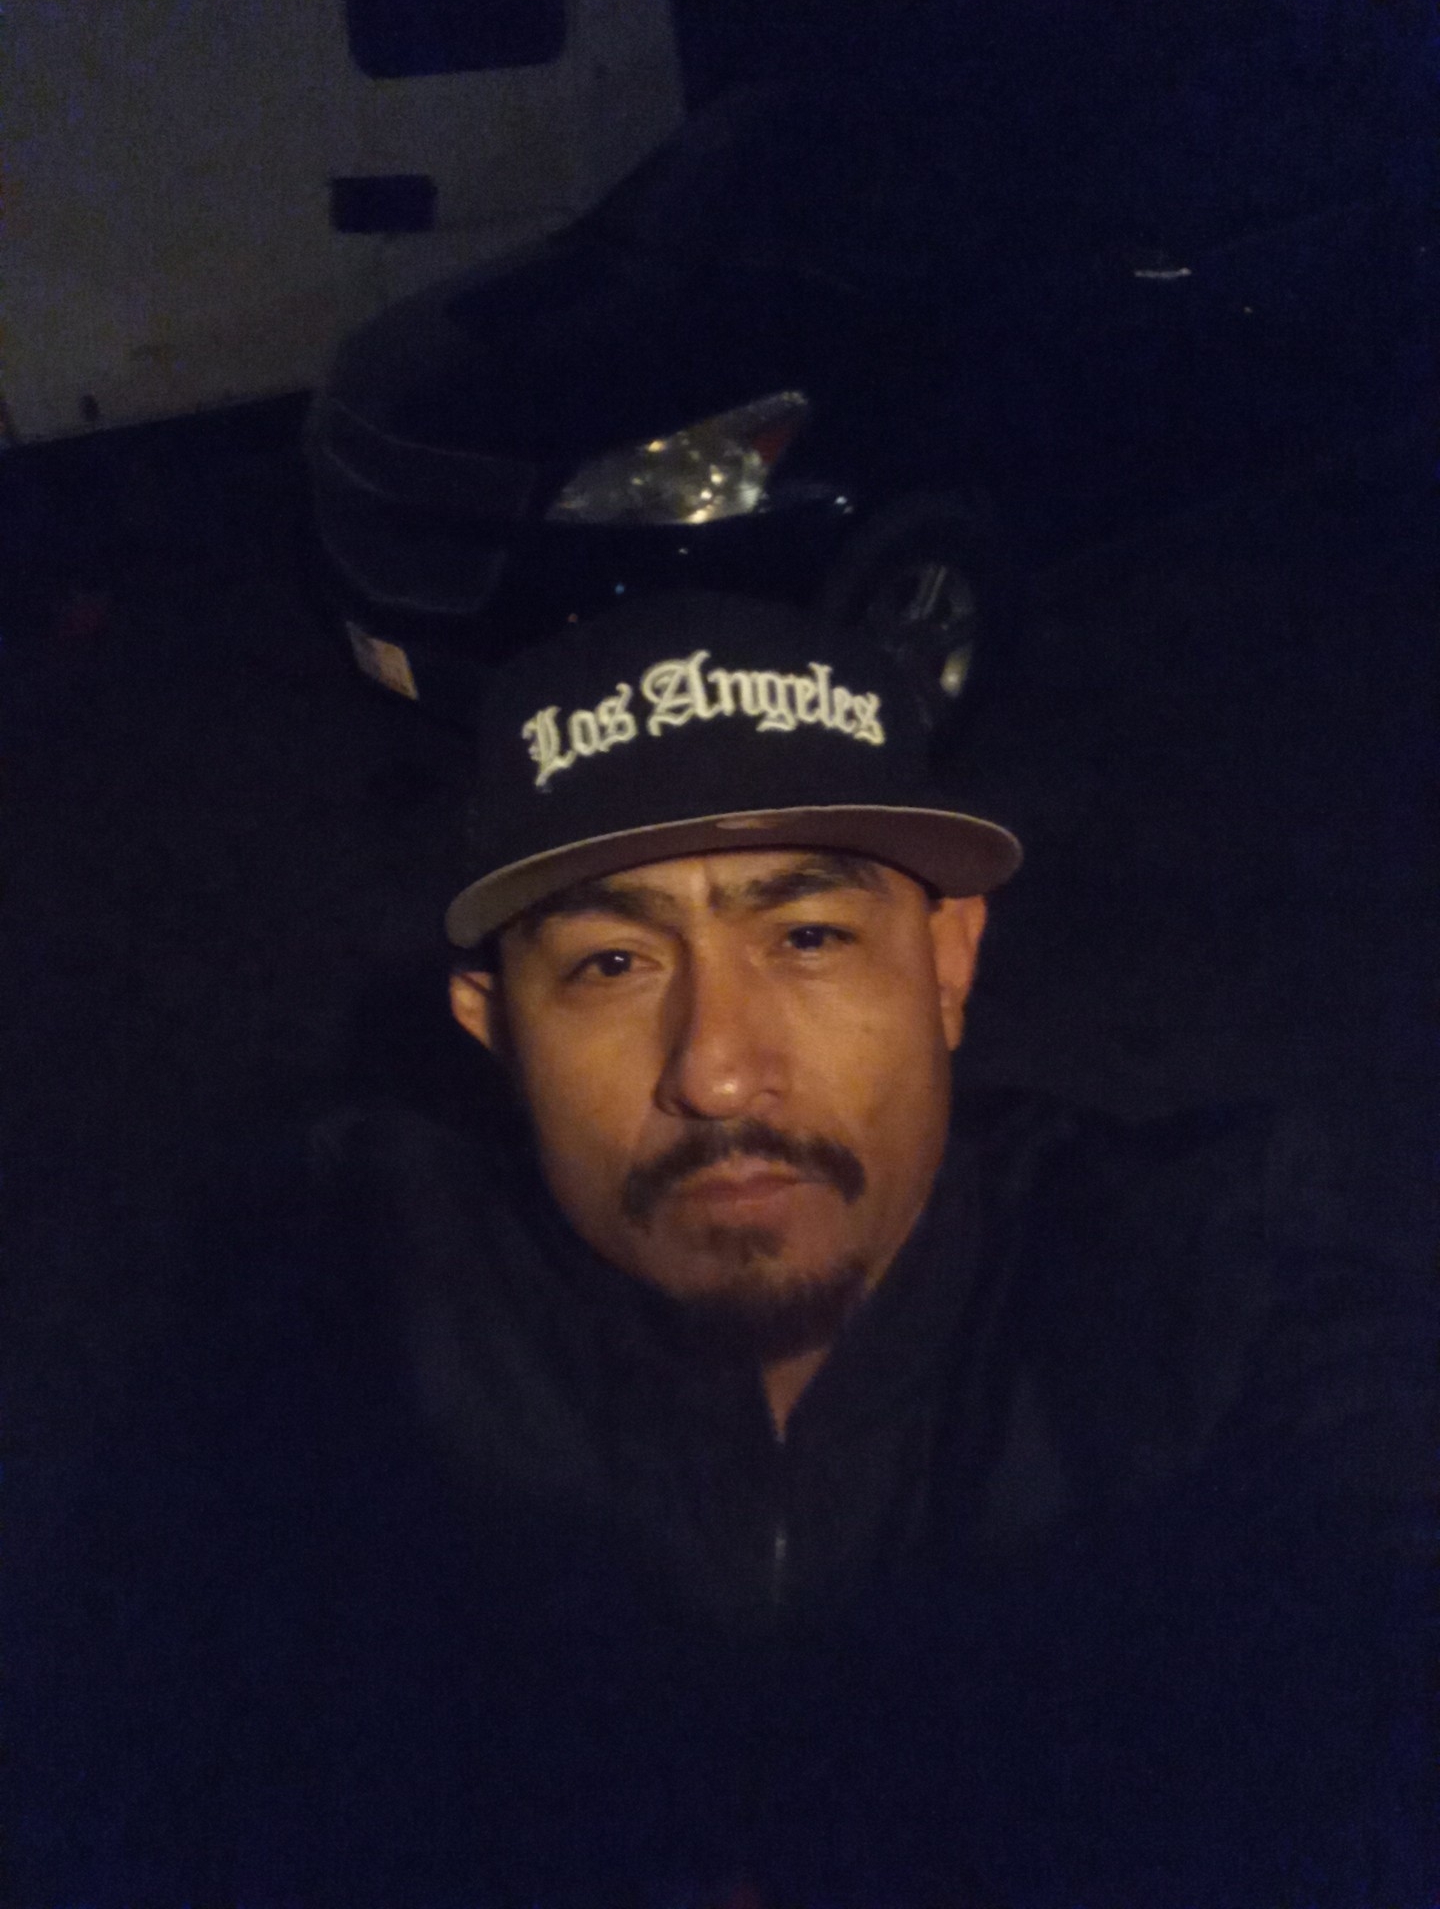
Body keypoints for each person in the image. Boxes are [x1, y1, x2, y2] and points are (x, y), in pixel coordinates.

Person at [16, 592, 1429, 1909]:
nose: (719, 1070)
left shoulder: (1203, 1274)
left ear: (946, 964)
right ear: (493, 1027)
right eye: (611, 964)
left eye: (808, 935)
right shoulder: (346, 1318)